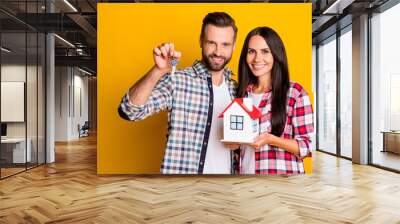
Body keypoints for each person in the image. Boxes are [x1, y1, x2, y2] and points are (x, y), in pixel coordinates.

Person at [118, 12, 239, 174]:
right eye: (211, 43)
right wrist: (158, 70)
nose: (218, 52)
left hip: (225, 188)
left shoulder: (235, 88)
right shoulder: (178, 81)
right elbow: (129, 111)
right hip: (183, 189)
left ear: (234, 46)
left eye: (225, 44)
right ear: (201, 41)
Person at [236, 26, 314, 174]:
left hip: (281, 184)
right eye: (251, 51)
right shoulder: (242, 94)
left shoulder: (295, 93)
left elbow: (306, 147)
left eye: (265, 51)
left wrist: (272, 140)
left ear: (276, 55)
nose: (257, 58)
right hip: (245, 180)